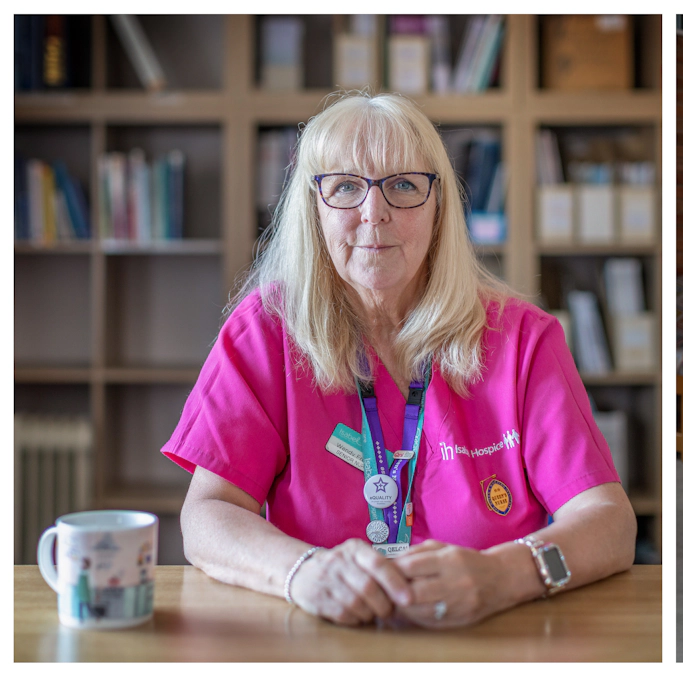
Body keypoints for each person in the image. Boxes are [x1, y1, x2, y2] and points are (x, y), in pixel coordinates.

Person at [163, 92, 636, 628]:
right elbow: (207, 515)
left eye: (403, 185)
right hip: (317, 643)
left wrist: (505, 575)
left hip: (491, 642)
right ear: (313, 210)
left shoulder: (523, 338)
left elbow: (609, 523)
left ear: (439, 208)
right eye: (344, 187)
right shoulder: (264, 332)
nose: (374, 213)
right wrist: (303, 572)